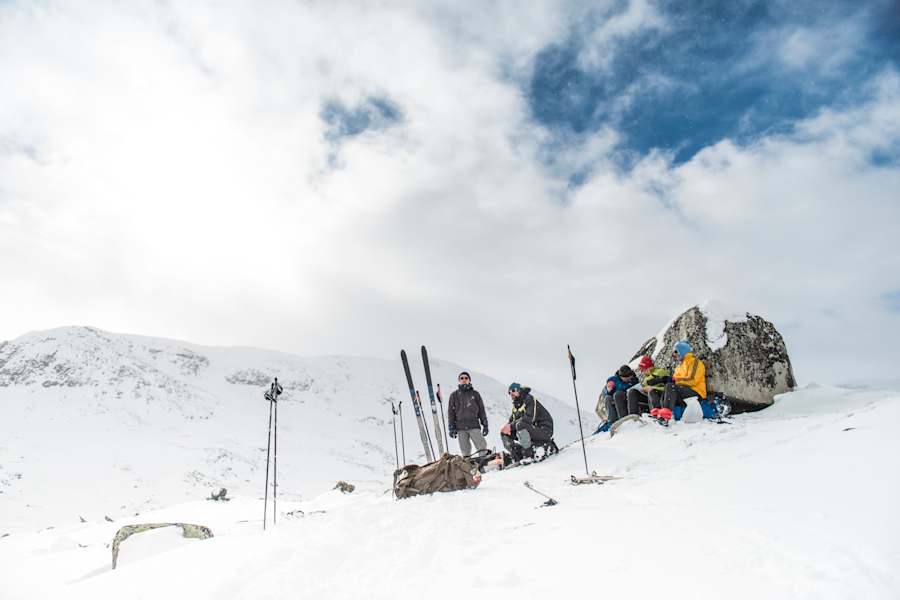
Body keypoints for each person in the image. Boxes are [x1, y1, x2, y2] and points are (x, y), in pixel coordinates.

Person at [646, 340, 707, 422]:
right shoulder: (678, 367)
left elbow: (693, 380)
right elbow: (674, 381)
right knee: (653, 391)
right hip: (681, 392)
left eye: (676, 351)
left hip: (695, 392)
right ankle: (657, 413)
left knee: (670, 386)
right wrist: (663, 379)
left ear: (682, 350)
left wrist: (673, 380)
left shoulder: (694, 362)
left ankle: (665, 416)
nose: (674, 354)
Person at [500, 383, 554, 462]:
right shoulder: (516, 406)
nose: (511, 394)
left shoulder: (530, 400)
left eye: (513, 391)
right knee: (504, 432)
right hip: (531, 430)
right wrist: (507, 428)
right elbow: (511, 422)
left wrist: (510, 426)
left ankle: (528, 454)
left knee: (520, 425)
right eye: (509, 392)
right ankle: (517, 454)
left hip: (544, 430)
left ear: (519, 390)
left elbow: (528, 419)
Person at [447, 371, 488, 455]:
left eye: (466, 378)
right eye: (462, 378)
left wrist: (485, 424)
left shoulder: (475, 394)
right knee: (465, 451)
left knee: (482, 447)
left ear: (469, 380)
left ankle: (483, 465)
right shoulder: (454, 395)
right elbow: (451, 413)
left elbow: (481, 410)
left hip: (474, 425)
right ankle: (468, 468)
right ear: (459, 380)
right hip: (461, 427)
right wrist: (451, 427)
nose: (464, 380)